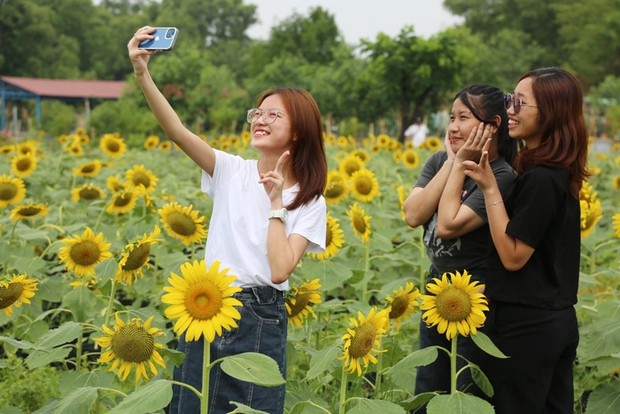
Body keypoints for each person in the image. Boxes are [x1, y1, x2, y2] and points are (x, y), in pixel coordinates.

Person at [128, 27, 327, 414]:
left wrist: (275, 205)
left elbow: (281, 269)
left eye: (273, 115)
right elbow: (177, 131)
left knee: (249, 408)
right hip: (204, 304)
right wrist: (142, 73)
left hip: (259, 315)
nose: (260, 119)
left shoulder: (307, 198)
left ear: (298, 131)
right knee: (192, 404)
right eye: (258, 112)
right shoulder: (231, 170)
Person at [461, 68, 588, 413]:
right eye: (508, 99)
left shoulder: (541, 180)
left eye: (520, 102)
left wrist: (490, 189)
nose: (510, 109)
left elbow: (513, 256)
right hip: (554, 320)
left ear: (551, 113)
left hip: (526, 327)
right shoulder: (552, 171)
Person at [403, 84, 517, 406]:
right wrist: (453, 163)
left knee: (465, 386)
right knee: (429, 381)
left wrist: (461, 163)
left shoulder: (500, 175)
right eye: (452, 117)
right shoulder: (439, 160)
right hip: (436, 286)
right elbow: (413, 214)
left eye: (463, 117)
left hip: (475, 296)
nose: (452, 126)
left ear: (492, 125)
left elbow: (448, 226)